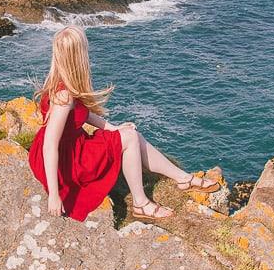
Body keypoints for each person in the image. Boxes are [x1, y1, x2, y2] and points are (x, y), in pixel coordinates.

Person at [28, 25, 220, 222]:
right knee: (129, 138)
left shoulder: (61, 82)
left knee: (129, 134)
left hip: (69, 148)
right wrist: (54, 193)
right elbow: (50, 144)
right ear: (79, 56)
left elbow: (81, 113)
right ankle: (141, 203)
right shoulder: (64, 95)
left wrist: (113, 128)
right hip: (66, 161)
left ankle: (182, 178)